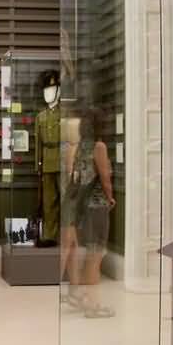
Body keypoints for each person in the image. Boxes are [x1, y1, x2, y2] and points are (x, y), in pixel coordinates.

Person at [61, 108, 115, 318]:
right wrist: (110, 197)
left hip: (83, 208)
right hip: (97, 206)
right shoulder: (98, 146)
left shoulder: (80, 146)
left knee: (90, 255)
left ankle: (84, 296)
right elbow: (105, 178)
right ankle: (93, 305)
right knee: (96, 255)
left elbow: (76, 177)